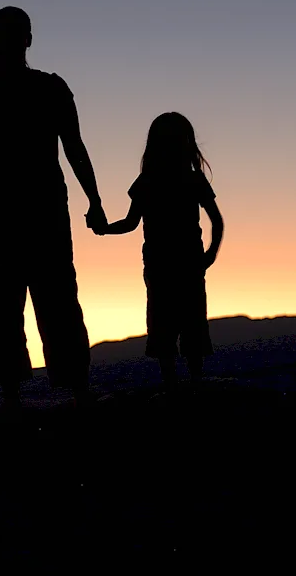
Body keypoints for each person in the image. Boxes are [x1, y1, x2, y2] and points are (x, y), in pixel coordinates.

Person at [0, 6, 106, 415]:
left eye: (13, 33)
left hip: (22, 207)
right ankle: (56, 391)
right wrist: (94, 201)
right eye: (6, 33)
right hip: (22, 207)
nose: (10, 40)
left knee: (27, 299)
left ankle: (28, 393)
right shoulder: (22, 92)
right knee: (31, 299)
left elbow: (74, 148)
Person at [91, 112, 224, 394]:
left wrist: (104, 229)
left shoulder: (153, 182)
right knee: (188, 320)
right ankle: (191, 382)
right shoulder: (186, 180)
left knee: (170, 321)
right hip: (181, 262)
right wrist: (210, 253)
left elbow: (129, 224)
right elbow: (217, 220)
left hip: (167, 263)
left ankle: (176, 384)